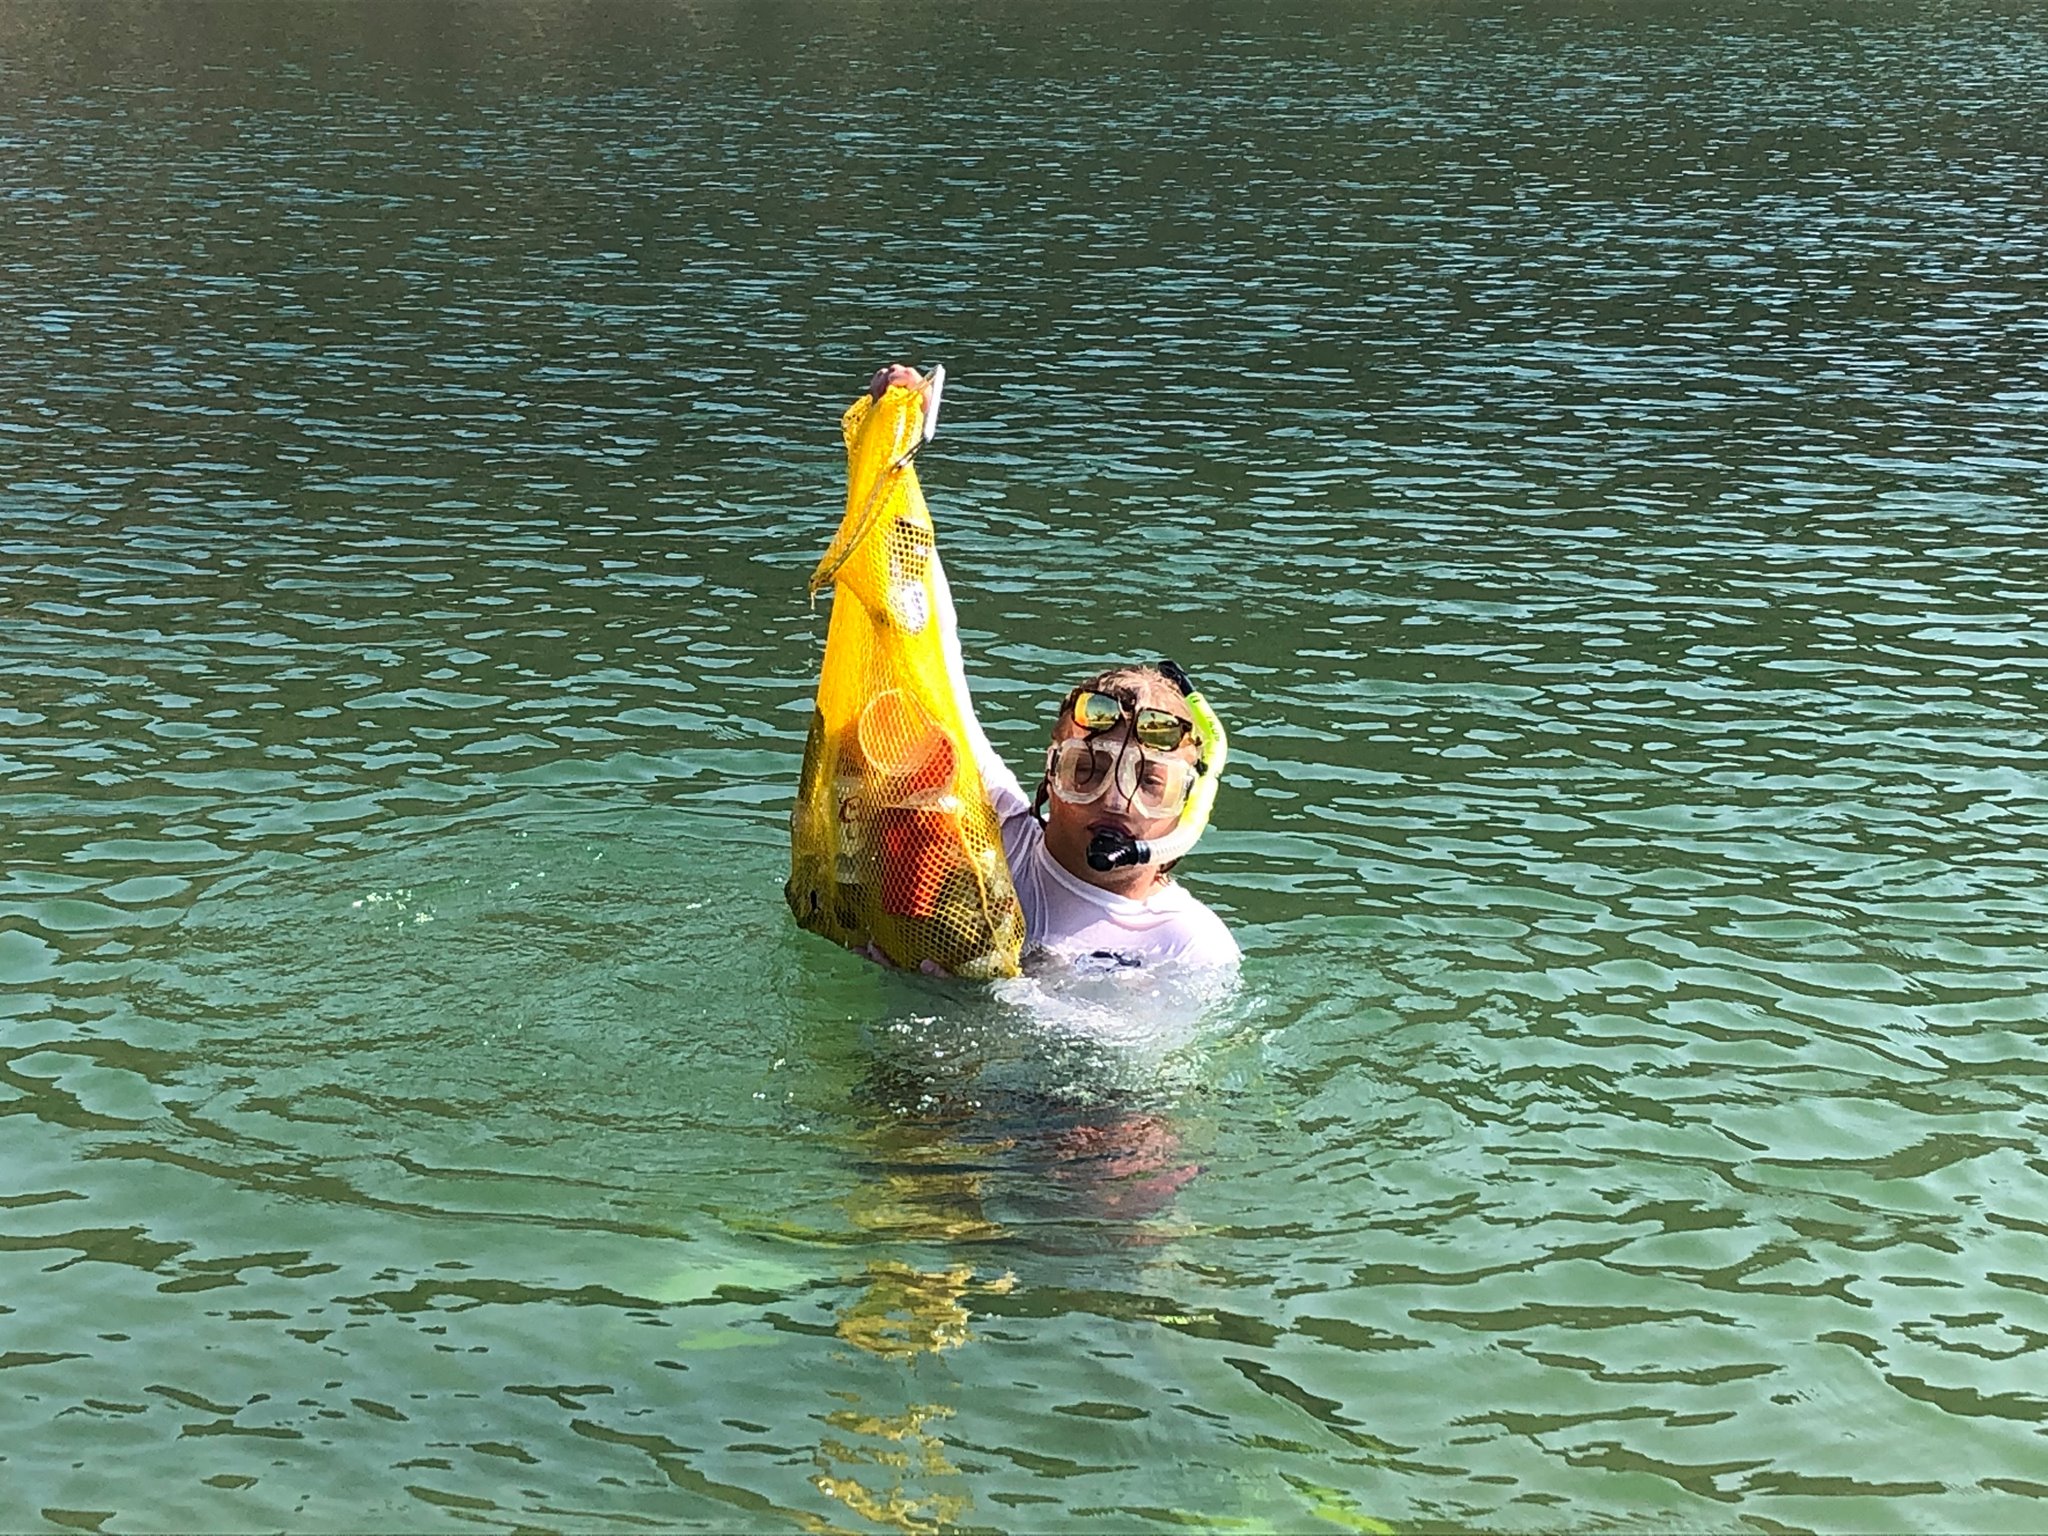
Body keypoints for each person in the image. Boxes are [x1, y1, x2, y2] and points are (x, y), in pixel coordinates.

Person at [863, 366, 1238, 974]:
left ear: (1188, 807)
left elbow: (1148, 1066)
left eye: (1149, 782)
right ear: (1049, 775)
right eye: (1084, 770)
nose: (1114, 799)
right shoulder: (1001, 836)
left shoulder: (1188, 945)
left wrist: (1017, 989)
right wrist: (892, 457)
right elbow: (932, 653)